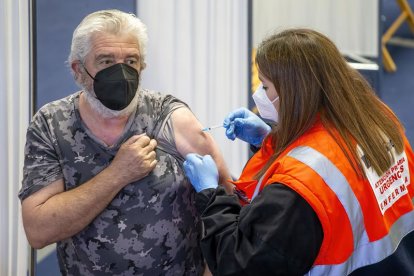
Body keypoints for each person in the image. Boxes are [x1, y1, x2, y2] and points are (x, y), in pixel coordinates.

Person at [183, 28, 414, 275]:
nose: (259, 95)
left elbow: (241, 264)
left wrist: (210, 194)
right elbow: (341, 165)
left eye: (265, 86)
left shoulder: (297, 191)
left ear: (293, 93)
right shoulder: (375, 118)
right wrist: (269, 138)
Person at [19, 9, 231, 275]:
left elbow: (227, 194)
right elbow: (38, 231)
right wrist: (118, 174)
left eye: (131, 61)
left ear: (142, 66)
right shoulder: (51, 124)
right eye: (106, 61)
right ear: (78, 70)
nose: (121, 73)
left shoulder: (168, 117)